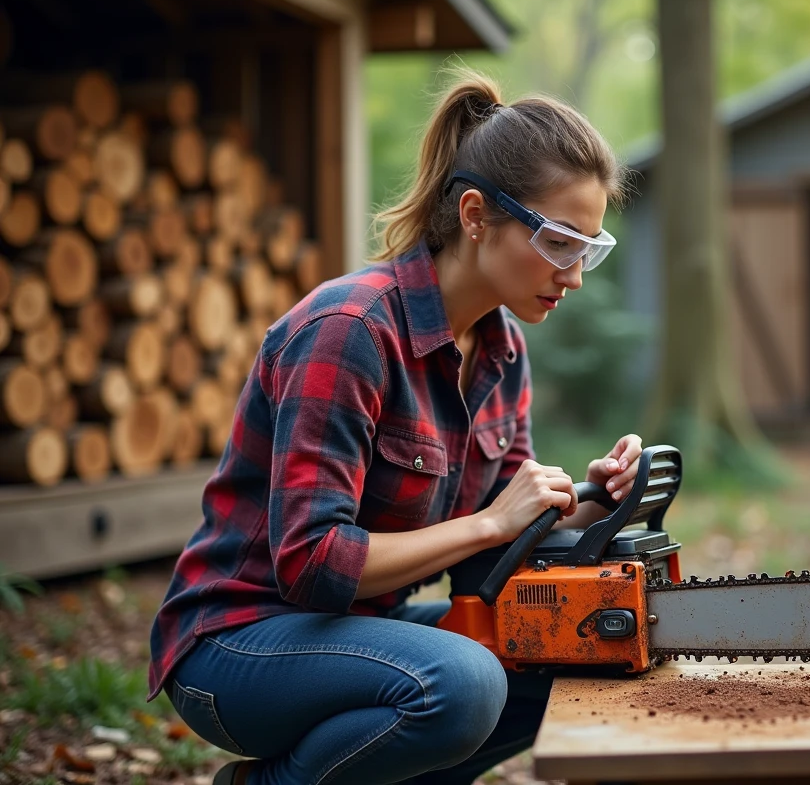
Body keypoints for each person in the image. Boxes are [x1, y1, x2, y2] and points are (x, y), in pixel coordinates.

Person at [147, 70, 642, 785]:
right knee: (464, 682)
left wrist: (592, 496)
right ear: (476, 215)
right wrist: (491, 525)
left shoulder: (501, 347)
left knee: (571, 646)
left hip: (354, 638)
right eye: (561, 241)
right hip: (235, 647)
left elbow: (497, 553)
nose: (575, 275)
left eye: (589, 249)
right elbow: (313, 564)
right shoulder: (350, 332)